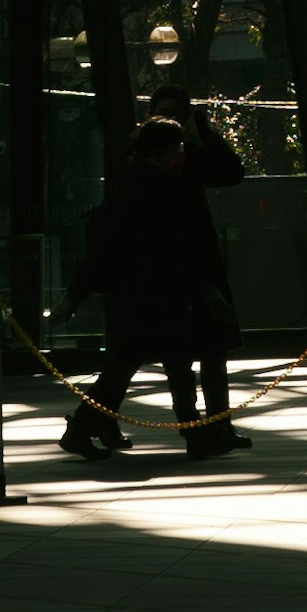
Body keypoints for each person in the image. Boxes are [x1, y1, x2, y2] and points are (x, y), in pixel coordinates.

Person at [65, 111, 236, 463]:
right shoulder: (150, 192)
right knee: (160, 369)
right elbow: (164, 248)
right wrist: (207, 290)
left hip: (142, 299)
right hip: (152, 299)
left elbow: (115, 246)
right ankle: (193, 434)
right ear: (158, 154)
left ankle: (83, 429)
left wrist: (77, 292)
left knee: (132, 370)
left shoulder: (141, 187)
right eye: (176, 151)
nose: (181, 158)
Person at [141, 33, 246, 432]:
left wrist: (201, 131)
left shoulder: (186, 159)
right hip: (174, 265)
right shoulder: (159, 164)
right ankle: (203, 426)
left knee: (207, 349)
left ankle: (213, 425)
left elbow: (232, 172)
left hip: (190, 261)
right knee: (185, 353)